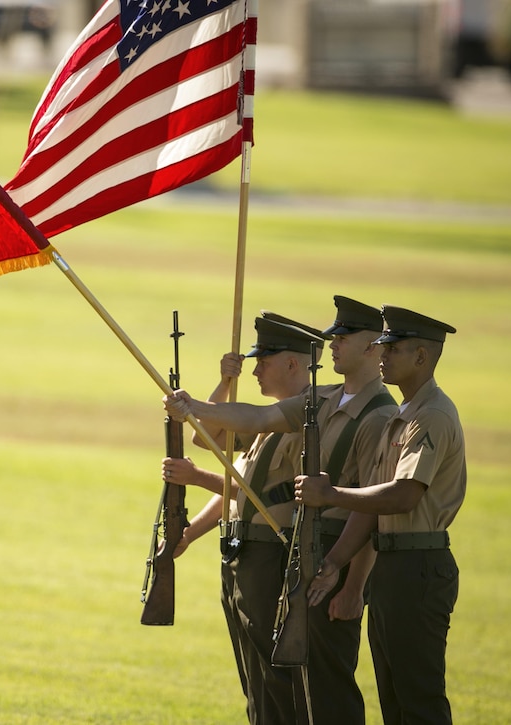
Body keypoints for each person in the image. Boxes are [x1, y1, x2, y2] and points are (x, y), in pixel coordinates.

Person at [165, 297, 399, 725]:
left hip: (325, 554)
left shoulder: (380, 415)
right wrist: (195, 404)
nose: (333, 345)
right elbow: (250, 421)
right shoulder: (321, 402)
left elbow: (375, 508)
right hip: (303, 555)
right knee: (273, 685)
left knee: (321, 686)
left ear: (372, 347)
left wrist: (352, 585)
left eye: (343, 338)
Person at [295, 306, 465, 725]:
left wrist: (331, 492)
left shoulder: (431, 416)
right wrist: (335, 563)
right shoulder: (403, 417)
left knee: (418, 697)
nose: (382, 354)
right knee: (394, 697)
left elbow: (403, 496)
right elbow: (370, 508)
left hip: (418, 567)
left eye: (393, 348)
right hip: (392, 566)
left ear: (422, 358)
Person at [163, 314, 325, 724]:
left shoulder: (306, 421)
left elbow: (258, 498)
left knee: (273, 678)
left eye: (263, 361)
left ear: (292, 364)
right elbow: (208, 437)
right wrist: (224, 383)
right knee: (253, 679)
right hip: (242, 552)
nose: (255, 370)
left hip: (270, 555)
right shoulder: (269, 419)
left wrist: (198, 478)